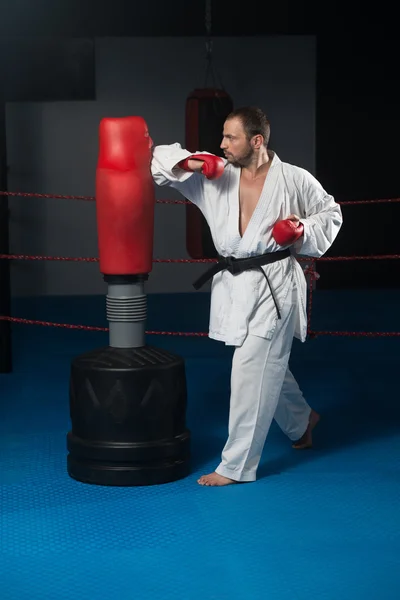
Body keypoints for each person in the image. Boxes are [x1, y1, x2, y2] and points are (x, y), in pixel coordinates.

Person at [151, 106, 343, 486]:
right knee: (268, 361)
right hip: (237, 283)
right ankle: (302, 421)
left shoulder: (294, 179)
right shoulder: (215, 177)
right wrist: (189, 161)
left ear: (256, 141)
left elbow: (331, 213)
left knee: (251, 368)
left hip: (277, 285)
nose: (221, 144)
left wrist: (301, 228)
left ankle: (236, 466)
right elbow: (157, 161)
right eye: (222, 136)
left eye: (230, 138)